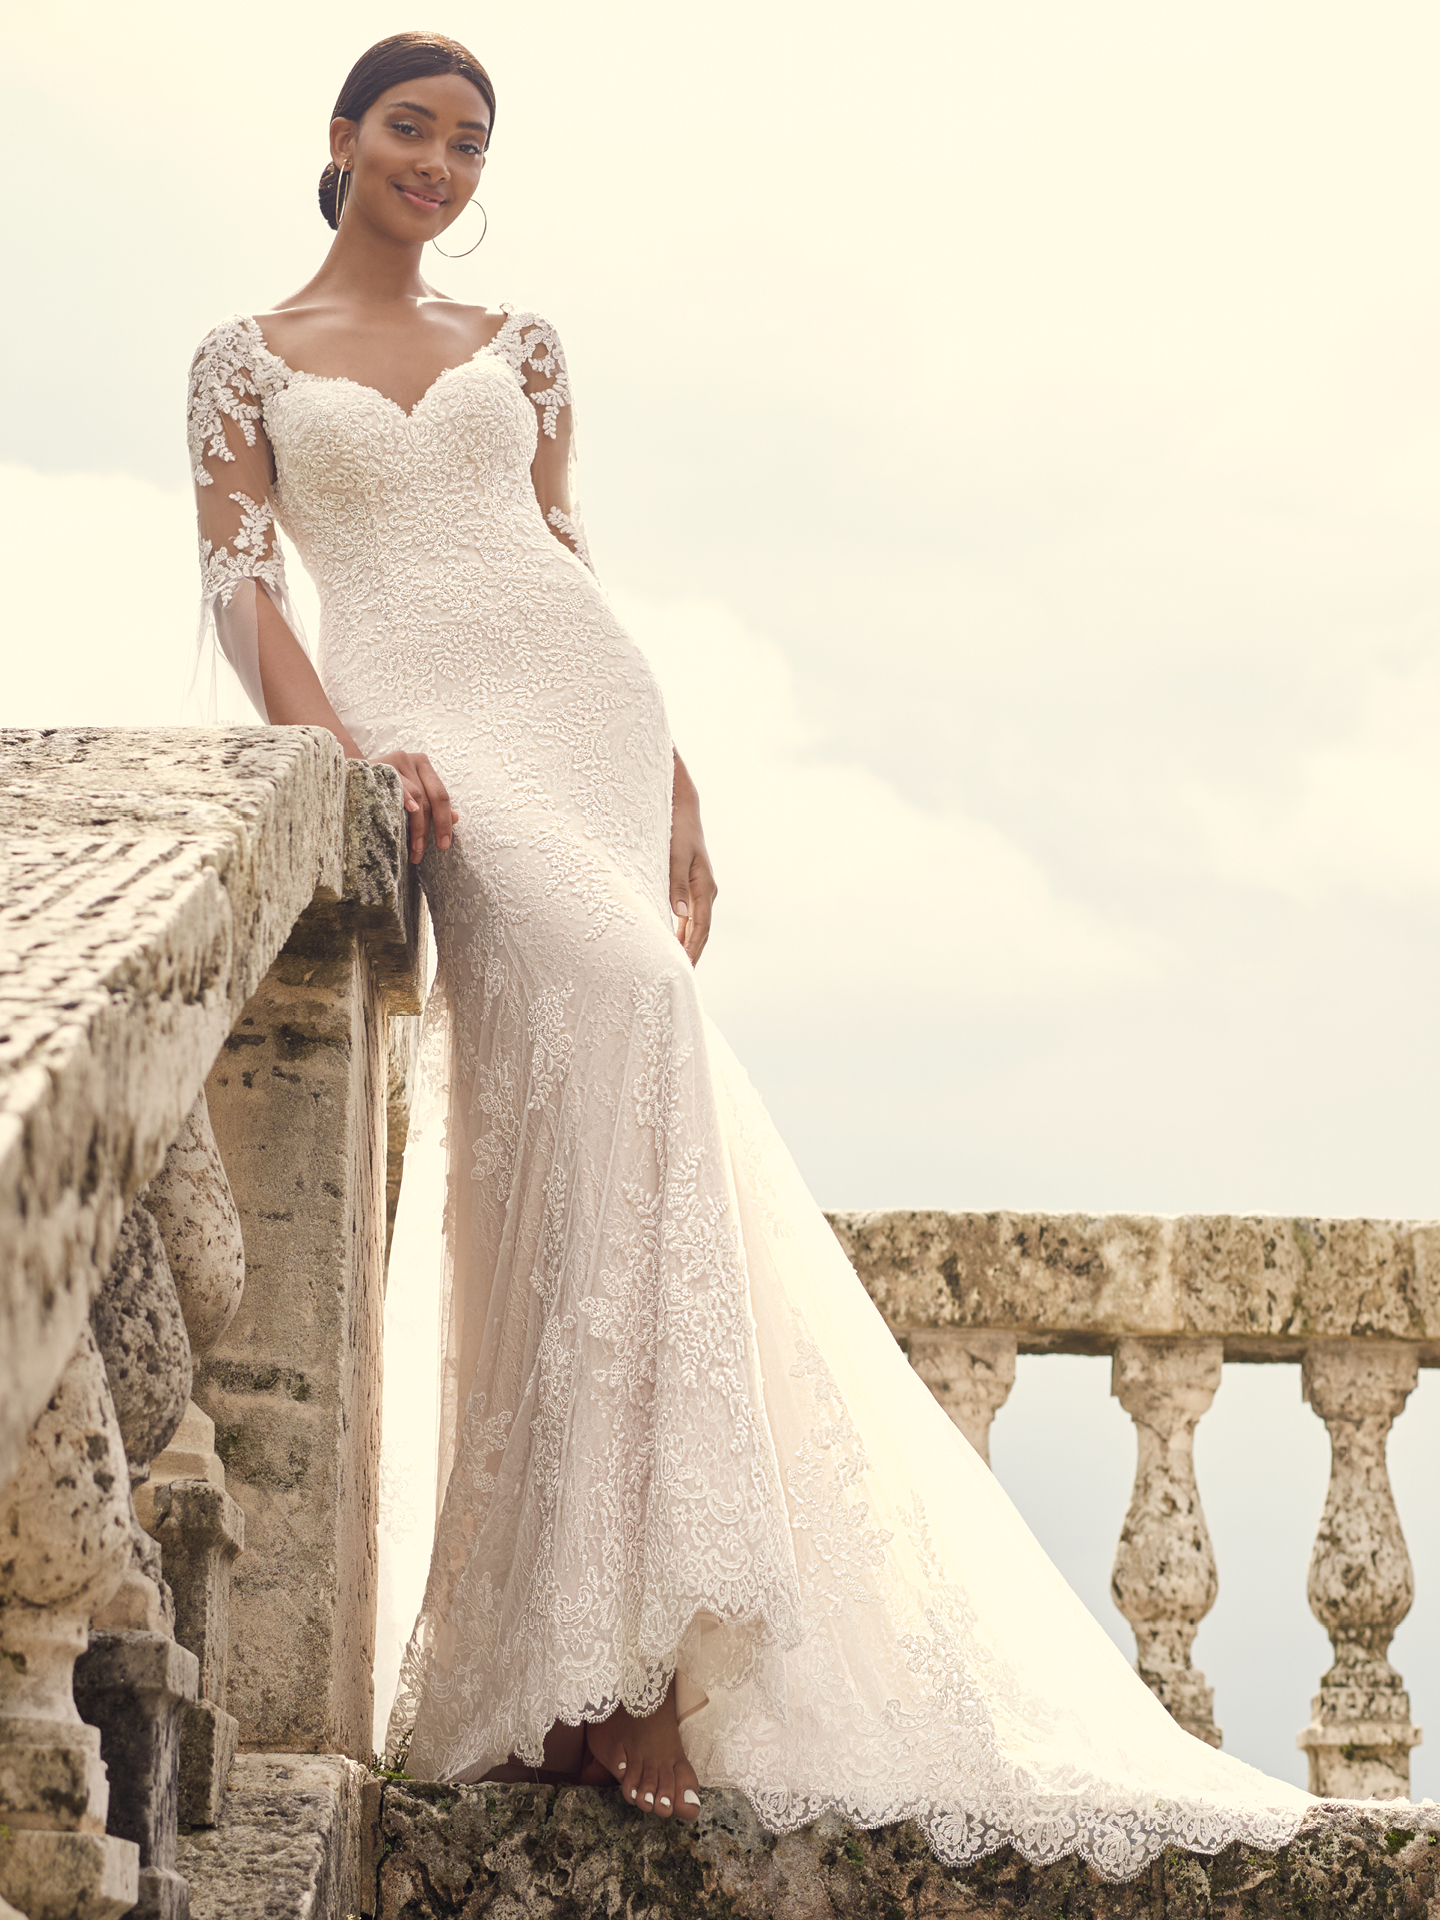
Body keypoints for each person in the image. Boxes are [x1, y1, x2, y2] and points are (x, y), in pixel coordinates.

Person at [187, 28, 1319, 1877]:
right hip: (428, 741)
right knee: (554, 1127)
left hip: (582, 728)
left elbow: (567, 563)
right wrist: (339, 755)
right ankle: (571, 1646)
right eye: (414, 130)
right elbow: (240, 588)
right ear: (341, 138)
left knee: (626, 1076)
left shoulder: (521, 351)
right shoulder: (244, 362)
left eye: (473, 143)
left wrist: (683, 784)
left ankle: (631, 1658)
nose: (444, 166)